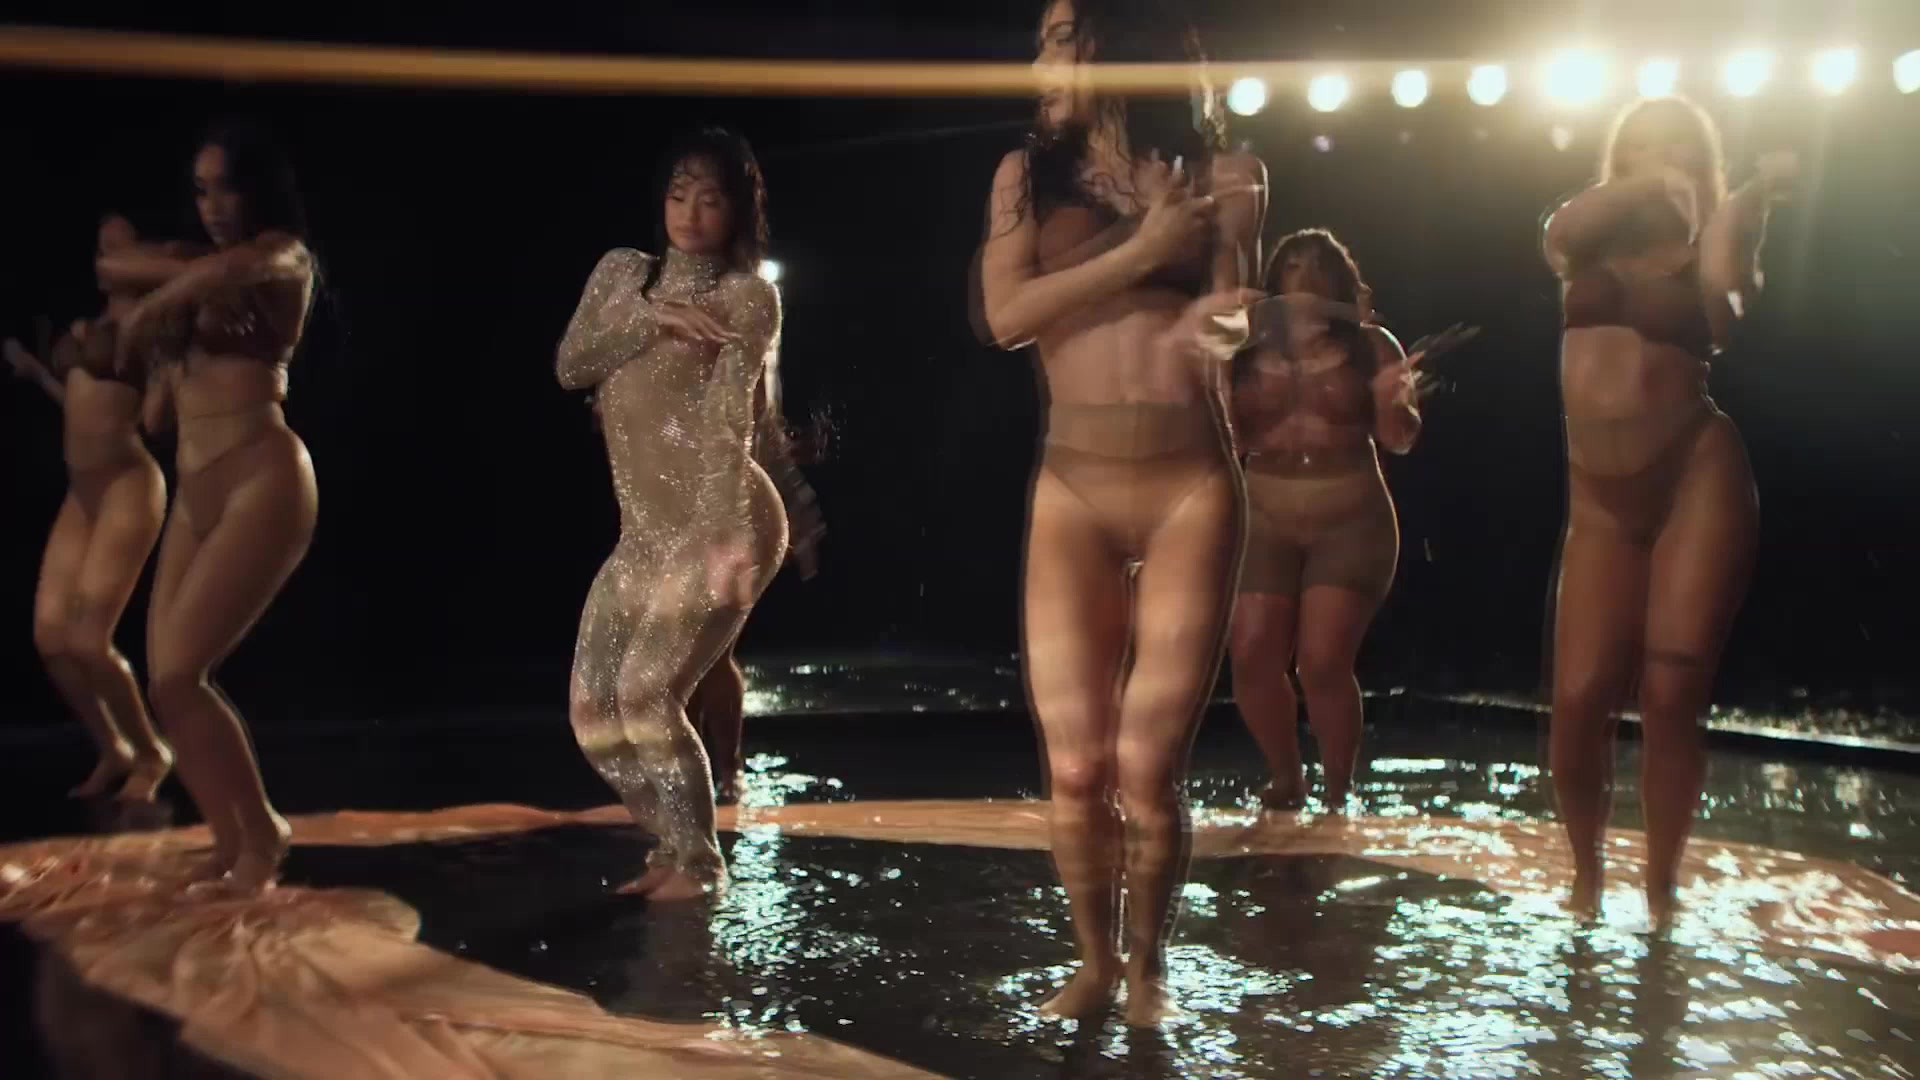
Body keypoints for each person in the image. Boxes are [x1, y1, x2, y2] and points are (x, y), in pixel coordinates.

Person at [976, 0, 1266, 1025]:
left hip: (1190, 488)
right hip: (1074, 491)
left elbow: (1231, 330)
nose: (1040, 64)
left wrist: (1209, 314)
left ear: (1114, 43)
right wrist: (1143, 250)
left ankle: (1150, 971)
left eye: (1058, 39)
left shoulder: (1229, 173)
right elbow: (1007, 317)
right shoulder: (1024, 178)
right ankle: (1094, 964)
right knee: (1076, 764)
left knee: (1146, 764)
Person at [1541, 95, 1794, 926]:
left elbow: (1724, 314)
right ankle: (1586, 878)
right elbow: (1559, 233)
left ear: (1703, 161)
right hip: (1599, 502)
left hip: (1694, 469)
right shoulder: (1585, 239)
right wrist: (1647, 187)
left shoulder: (1717, 232)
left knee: (1673, 689)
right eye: (1643, 147)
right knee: (1579, 696)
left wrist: (1729, 221)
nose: (1661, 160)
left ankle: (1660, 885)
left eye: (1678, 149)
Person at [556, 127, 792, 901]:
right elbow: (572, 365)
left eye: (711, 199)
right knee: (594, 711)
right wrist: (656, 320)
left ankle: (700, 865)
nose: (690, 212)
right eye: (679, 193)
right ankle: (673, 844)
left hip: (723, 516)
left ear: (738, 212)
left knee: (649, 696)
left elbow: (730, 423)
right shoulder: (622, 275)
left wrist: (724, 534)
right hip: (644, 532)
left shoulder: (746, 298)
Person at [100, 118, 321, 893]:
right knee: (166, 681)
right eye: (201, 190)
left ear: (258, 190)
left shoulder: (281, 257)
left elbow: (213, 271)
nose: (213, 205)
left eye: (227, 188)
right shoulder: (198, 276)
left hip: (264, 475)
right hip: (197, 486)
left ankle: (261, 835)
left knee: (182, 671)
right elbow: (156, 408)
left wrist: (151, 300)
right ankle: (232, 838)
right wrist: (157, 348)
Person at [1226, 230, 1423, 812]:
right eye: (1293, 265)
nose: (1306, 277)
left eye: (1319, 266)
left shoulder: (1371, 344)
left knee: (1322, 661)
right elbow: (1222, 436)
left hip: (1350, 519)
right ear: (1275, 279)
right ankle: (1287, 778)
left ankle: (1339, 791)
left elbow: (1401, 438)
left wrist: (1391, 397)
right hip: (1265, 514)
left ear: (1339, 279)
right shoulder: (1243, 344)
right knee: (1252, 656)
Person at [5, 214, 172, 803]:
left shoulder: (152, 326)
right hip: (83, 492)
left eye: (119, 246)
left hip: (128, 483)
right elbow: (81, 402)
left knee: (87, 640)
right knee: (50, 637)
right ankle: (113, 748)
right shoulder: (93, 324)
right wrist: (37, 373)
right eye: (101, 246)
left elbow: (155, 419)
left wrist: (164, 372)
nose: (106, 258)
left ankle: (152, 752)